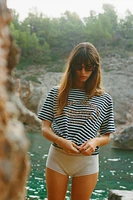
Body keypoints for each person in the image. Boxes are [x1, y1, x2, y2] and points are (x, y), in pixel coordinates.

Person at [38, 42, 115, 200]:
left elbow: (107, 136)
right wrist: (61, 141)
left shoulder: (105, 99)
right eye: (78, 67)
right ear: (71, 66)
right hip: (58, 157)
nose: (83, 72)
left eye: (88, 68)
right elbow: (45, 128)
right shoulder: (56, 93)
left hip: (87, 162)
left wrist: (94, 142)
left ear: (95, 68)